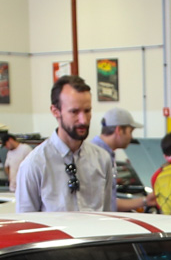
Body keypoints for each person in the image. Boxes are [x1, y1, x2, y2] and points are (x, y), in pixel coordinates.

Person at [15, 75, 114, 213]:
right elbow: (26, 221)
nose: (83, 120)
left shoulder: (102, 159)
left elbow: (107, 215)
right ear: (55, 111)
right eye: (74, 112)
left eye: (87, 111)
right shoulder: (34, 164)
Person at [91, 107, 156, 212]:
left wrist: (145, 201)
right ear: (119, 130)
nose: (131, 137)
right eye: (130, 131)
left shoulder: (106, 154)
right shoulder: (96, 156)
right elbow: (95, 204)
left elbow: (110, 203)